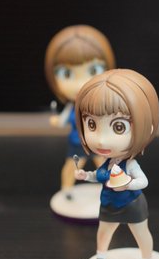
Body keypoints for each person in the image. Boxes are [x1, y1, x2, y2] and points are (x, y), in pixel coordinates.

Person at [73, 69, 159, 259]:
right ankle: (101, 254)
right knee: (104, 230)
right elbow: (98, 175)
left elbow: (143, 182)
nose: (102, 140)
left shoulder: (130, 164)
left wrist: (127, 183)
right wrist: (86, 176)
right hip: (109, 203)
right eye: (92, 124)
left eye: (119, 127)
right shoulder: (107, 163)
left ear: (145, 127)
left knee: (140, 232)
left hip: (132, 203)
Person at [44, 25, 115, 194]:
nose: (80, 84)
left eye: (93, 70)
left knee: (105, 166)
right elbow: (61, 121)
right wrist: (56, 121)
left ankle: (110, 189)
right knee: (72, 167)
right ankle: (66, 191)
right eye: (66, 74)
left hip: (99, 143)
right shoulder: (72, 108)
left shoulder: (100, 105)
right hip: (77, 144)